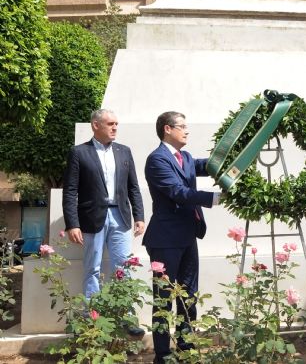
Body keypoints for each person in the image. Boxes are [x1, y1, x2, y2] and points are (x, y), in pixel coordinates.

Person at [143, 111, 221, 363]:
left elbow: (207, 165)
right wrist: (215, 198)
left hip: (188, 236)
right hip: (165, 239)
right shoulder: (157, 160)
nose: (187, 131)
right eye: (182, 126)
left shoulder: (185, 157)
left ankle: (186, 348)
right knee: (163, 299)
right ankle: (163, 354)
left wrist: (233, 158)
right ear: (168, 129)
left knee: (189, 295)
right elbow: (177, 192)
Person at [62, 108, 145, 335]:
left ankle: (126, 318)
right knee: (92, 268)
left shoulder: (124, 152)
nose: (115, 127)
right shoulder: (79, 153)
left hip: (120, 216)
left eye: (116, 123)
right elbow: (70, 191)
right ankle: (92, 317)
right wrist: (72, 223)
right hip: (91, 218)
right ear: (95, 125)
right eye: (110, 124)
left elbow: (133, 187)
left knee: (123, 267)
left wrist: (139, 216)